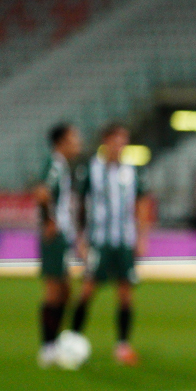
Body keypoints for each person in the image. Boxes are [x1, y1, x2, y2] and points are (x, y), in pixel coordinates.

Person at [72, 122, 155, 366]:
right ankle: (73, 340)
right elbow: (80, 204)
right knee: (88, 289)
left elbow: (142, 204)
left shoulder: (133, 172)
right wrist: (80, 238)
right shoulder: (90, 170)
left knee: (126, 293)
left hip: (124, 240)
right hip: (99, 240)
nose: (121, 145)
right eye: (117, 140)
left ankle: (122, 346)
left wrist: (142, 237)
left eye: (124, 140)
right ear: (105, 141)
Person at [32, 121, 82, 367]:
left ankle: (54, 342)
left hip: (63, 236)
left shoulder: (62, 165)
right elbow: (42, 192)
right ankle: (48, 347)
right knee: (54, 290)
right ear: (61, 141)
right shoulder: (54, 164)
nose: (78, 142)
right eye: (74, 138)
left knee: (64, 289)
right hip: (55, 236)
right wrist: (49, 220)